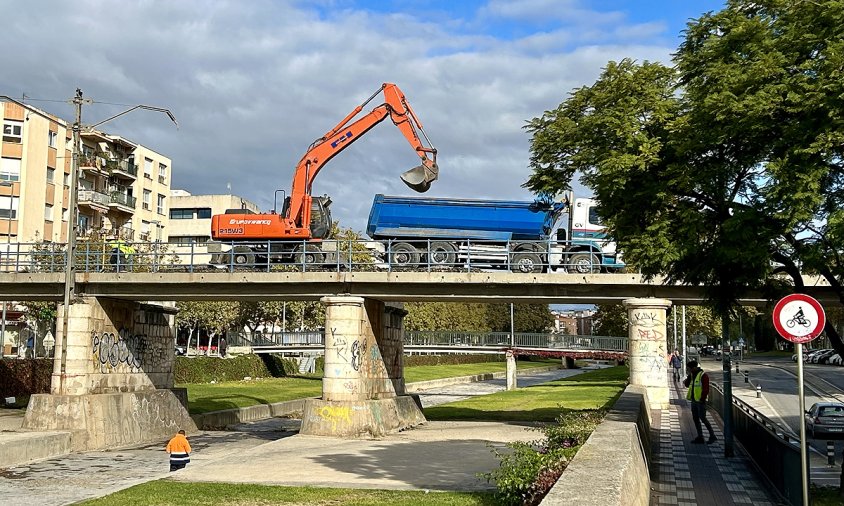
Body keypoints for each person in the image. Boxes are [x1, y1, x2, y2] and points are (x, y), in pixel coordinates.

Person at [683, 359, 717, 444]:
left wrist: (702, 399)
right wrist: (688, 378)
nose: (689, 370)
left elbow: (705, 389)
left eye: (690, 368)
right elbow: (687, 385)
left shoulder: (703, 375)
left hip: (701, 401)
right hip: (694, 400)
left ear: (694, 368)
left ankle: (712, 435)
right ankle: (700, 436)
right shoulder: (692, 375)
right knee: (695, 419)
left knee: (703, 418)